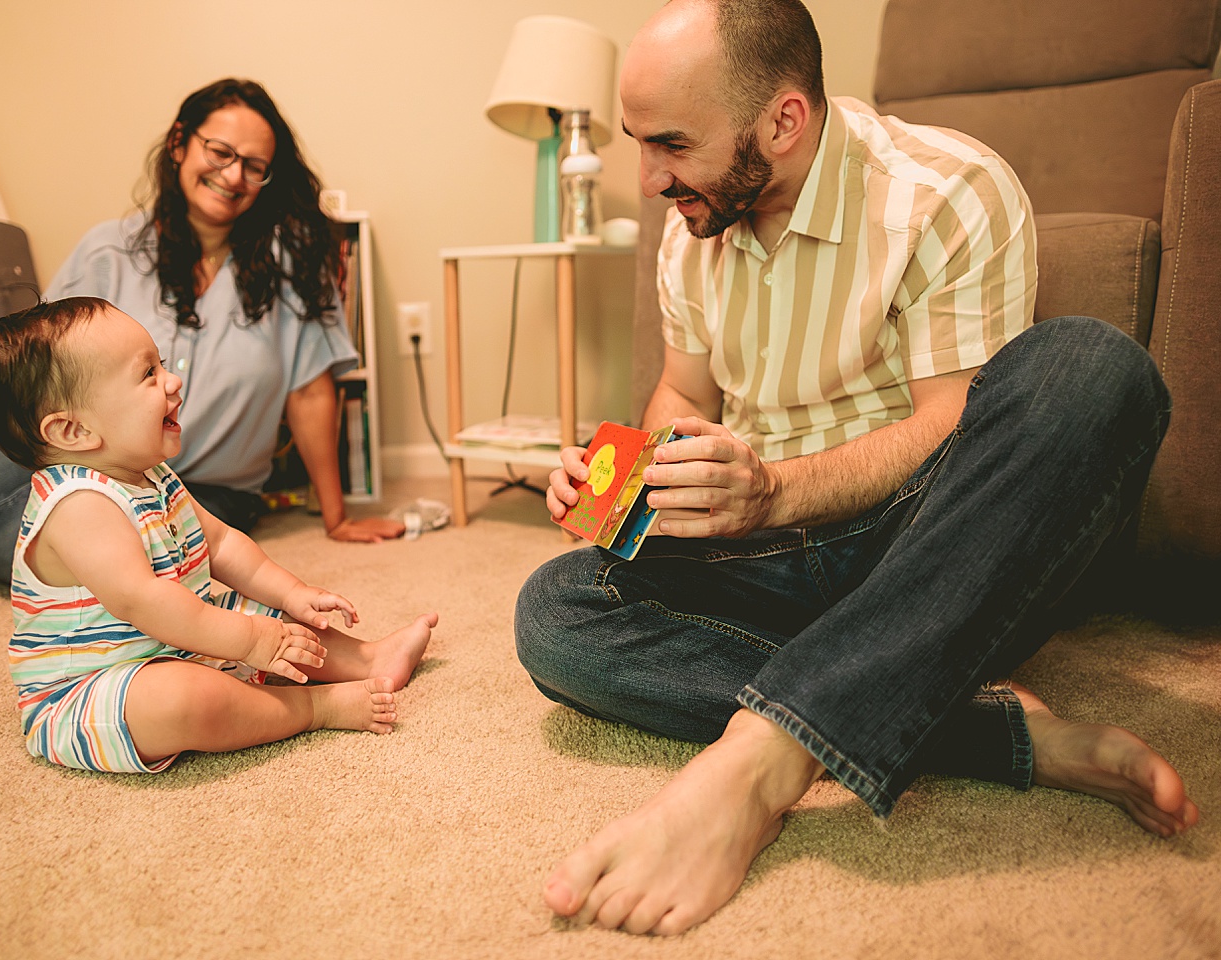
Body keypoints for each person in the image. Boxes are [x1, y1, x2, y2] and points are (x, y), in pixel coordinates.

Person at [513, 0, 1199, 937]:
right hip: (769, 559)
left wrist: (776, 491)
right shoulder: (694, 229)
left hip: (924, 546)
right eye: (638, 142)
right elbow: (681, 396)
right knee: (555, 609)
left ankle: (761, 761)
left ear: (783, 122)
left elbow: (955, 423)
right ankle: (986, 726)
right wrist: (622, 481)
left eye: (671, 144)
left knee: (1092, 368)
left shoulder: (948, 191)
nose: (647, 180)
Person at [0, 77, 401, 593]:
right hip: (65, 449)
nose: (234, 175)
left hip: (198, 485)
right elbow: (43, 369)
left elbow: (312, 395)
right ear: (182, 144)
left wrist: (336, 516)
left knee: (7, 542)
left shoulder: (295, 271)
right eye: (221, 152)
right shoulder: (109, 249)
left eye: (255, 167)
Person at [0, 295, 436, 772]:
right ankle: (313, 709)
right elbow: (144, 602)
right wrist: (252, 642)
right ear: (72, 430)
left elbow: (224, 544)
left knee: (267, 614)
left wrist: (293, 594)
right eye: (147, 374)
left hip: (181, 639)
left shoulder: (153, 474)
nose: (173, 382)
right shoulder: (77, 506)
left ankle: (368, 659)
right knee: (182, 700)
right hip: (94, 686)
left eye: (162, 365)